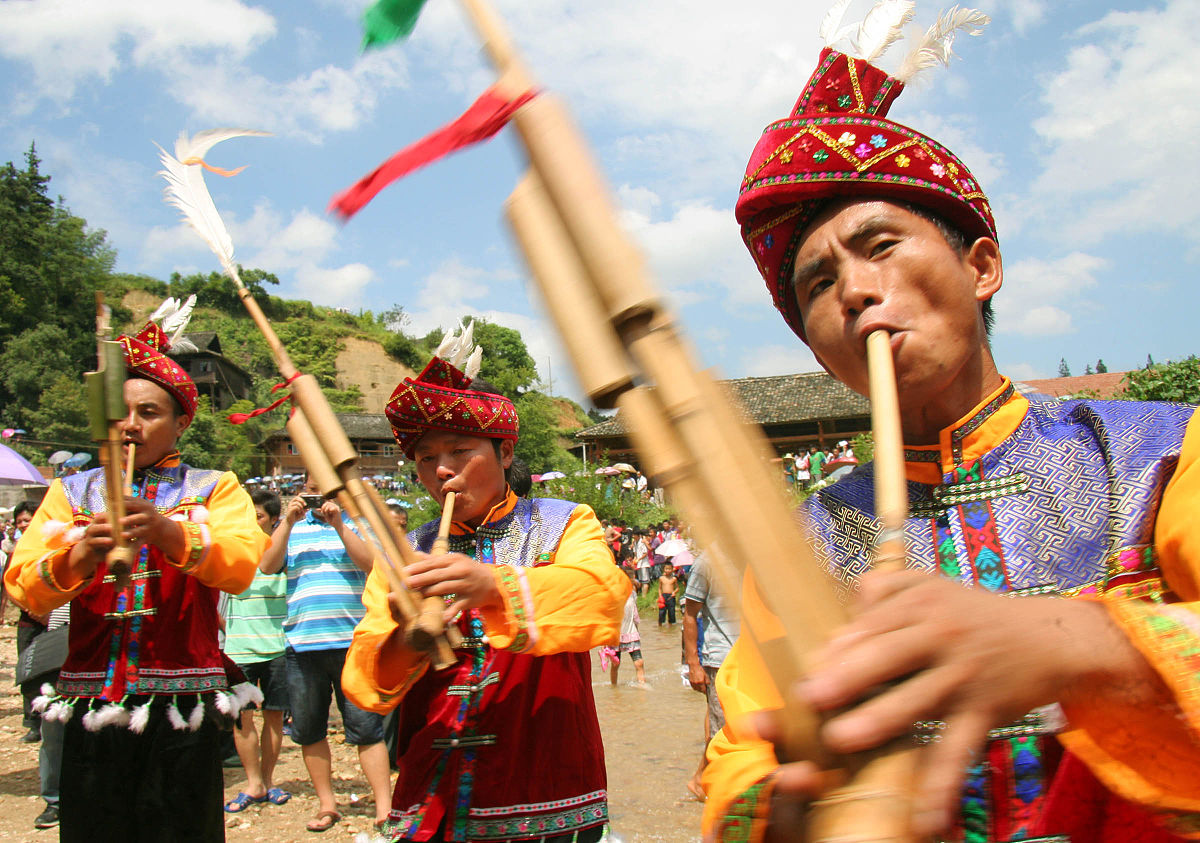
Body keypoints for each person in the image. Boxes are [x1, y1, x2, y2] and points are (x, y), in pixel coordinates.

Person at [704, 11, 1200, 842]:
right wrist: (785, 801)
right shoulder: (797, 546)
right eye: (819, 283)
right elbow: (742, 744)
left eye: (881, 244)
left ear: (981, 266)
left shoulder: (1161, 454)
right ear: (819, 349)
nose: (855, 290)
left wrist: (1086, 643)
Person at [343, 321, 629, 842]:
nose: (442, 472)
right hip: (435, 785)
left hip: (546, 783)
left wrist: (494, 586)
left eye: (460, 451)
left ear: (506, 453)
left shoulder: (565, 521)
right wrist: (408, 639)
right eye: (426, 459)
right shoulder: (404, 555)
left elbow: (604, 599)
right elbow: (365, 683)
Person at [4, 297, 266, 840]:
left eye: (149, 413)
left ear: (181, 423)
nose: (130, 426)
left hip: (183, 709)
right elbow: (25, 589)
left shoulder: (214, 488)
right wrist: (80, 554)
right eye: (120, 413)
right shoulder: (70, 492)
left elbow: (243, 566)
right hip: (92, 702)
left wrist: (172, 533)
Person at [259, 480, 393, 833]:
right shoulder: (291, 527)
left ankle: (384, 806)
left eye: (327, 491)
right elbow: (268, 565)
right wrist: (286, 521)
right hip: (303, 644)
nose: (319, 498)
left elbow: (373, 565)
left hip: (354, 643)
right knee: (309, 729)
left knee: (367, 728)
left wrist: (339, 524)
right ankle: (327, 804)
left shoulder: (359, 523)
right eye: (311, 488)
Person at [222, 488, 292, 813]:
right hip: (239, 651)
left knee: (274, 719)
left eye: (259, 516)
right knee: (243, 721)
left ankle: (269, 780)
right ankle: (253, 784)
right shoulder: (233, 550)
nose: (252, 521)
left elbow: (272, 568)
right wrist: (229, 632)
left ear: (273, 519)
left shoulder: (281, 552)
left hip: (277, 648)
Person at [682, 552, 739, 803]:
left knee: (736, 728)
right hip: (721, 658)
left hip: (754, 657)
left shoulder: (757, 554)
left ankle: (702, 779)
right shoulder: (708, 562)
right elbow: (689, 615)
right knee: (724, 731)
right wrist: (693, 664)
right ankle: (721, 797)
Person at [6, 501, 42, 742]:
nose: (24, 524)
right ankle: (32, 721)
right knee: (28, 670)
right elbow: (10, 585)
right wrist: (31, 609)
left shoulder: (52, 543)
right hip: (29, 619)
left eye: (28, 519)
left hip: (53, 618)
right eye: (20, 521)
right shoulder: (18, 549)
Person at [600, 581, 646, 688]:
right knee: (616, 664)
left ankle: (642, 686)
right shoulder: (611, 600)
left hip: (631, 633)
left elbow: (635, 617)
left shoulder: (631, 597)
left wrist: (637, 631)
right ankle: (614, 687)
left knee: (639, 662)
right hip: (616, 636)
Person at [657, 561, 678, 627]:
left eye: (669, 569)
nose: (668, 570)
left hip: (671, 597)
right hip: (663, 596)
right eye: (666, 569)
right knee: (661, 612)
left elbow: (677, 588)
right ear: (664, 569)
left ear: (672, 569)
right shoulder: (661, 578)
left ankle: (671, 625)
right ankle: (660, 625)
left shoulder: (674, 579)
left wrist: (674, 592)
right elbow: (660, 588)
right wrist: (660, 596)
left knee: (671, 612)